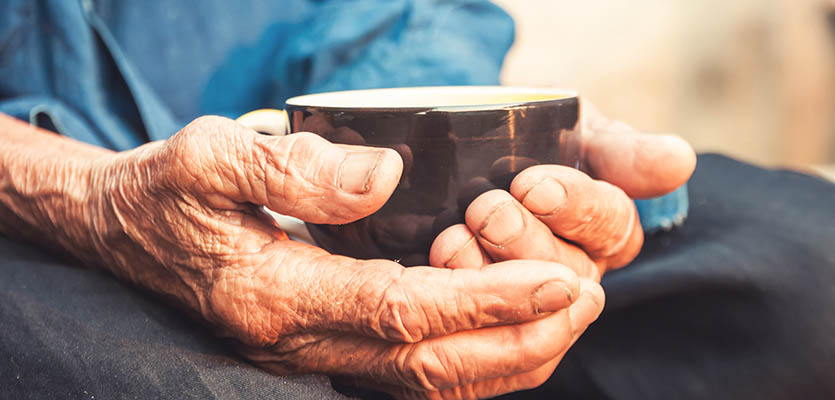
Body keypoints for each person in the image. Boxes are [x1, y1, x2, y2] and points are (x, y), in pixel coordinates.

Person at [1, 1, 832, 399]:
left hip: (331, 197)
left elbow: (411, 12)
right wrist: (84, 193)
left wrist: (413, 138)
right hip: (35, 215)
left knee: (810, 272)